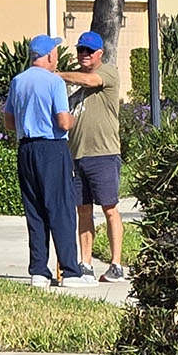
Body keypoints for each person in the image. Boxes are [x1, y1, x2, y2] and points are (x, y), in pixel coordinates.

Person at [1, 35, 95, 289]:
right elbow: (63, 122)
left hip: (26, 149)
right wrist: (73, 121)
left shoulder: (18, 81)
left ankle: (39, 271)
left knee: (35, 209)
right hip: (52, 148)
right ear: (50, 56)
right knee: (61, 208)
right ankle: (70, 272)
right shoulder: (54, 82)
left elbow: (9, 122)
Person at [58, 30, 128, 283]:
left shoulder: (108, 72)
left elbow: (91, 81)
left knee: (109, 208)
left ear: (99, 53)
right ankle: (85, 262)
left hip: (104, 153)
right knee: (83, 209)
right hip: (77, 155)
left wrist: (57, 75)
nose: (84, 55)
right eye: (80, 50)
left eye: (89, 51)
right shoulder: (73, 84)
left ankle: (116, 264)